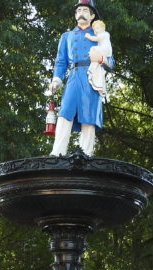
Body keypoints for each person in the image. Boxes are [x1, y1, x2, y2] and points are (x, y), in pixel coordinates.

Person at [48, 0, 115, 157]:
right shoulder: (66, 36)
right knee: (65, 113)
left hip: (92, 77)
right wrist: (57, 79)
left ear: (92, 15)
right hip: (73, 76)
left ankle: (85, 154)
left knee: (89, 116)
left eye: (85, 10)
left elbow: (111, 62)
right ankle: (57, 152)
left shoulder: (100, 36)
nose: (81, 14)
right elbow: (61, 61)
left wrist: (101, 59)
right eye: (78, 11)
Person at [83, 19, 112, 96]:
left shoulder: (104, 34)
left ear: (103, 28)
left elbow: (95, 38)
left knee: (93, 49)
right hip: (103, 51)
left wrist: (88, 36)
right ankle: (99, 85)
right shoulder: (67, 35)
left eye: (97, 28)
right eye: (94, 29)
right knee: (98, 71)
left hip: (104, 50)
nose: (95, 31)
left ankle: (98, 85)